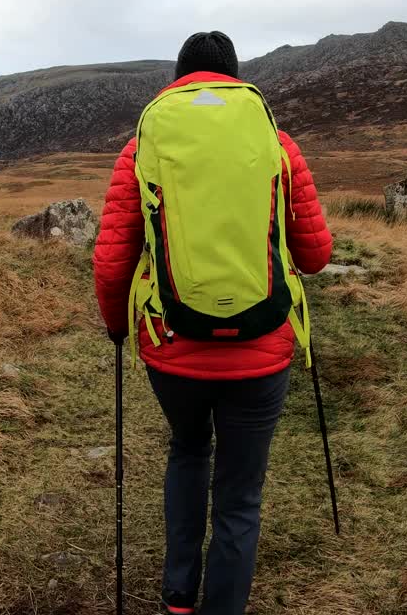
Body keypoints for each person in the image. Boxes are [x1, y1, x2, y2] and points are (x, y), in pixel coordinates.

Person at [92, 31, 333, 615]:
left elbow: (113, 257)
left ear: (177, 79)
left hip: (171, 345)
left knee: (188, 449)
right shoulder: (278, 146)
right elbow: (315, 256)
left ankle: (179, 595)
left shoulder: (140, 149)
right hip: (264, 346)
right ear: (236, 78)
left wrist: (117, 326)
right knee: (240, 495)